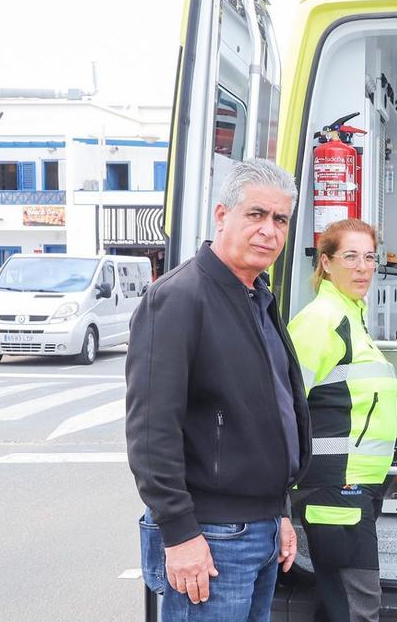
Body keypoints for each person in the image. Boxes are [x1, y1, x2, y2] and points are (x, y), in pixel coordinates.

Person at [126, 158, 311, 621]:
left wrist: (279, 512)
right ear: (222, 215)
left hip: (259, 529)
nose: (269, 230)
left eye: (280, 219)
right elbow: (151, 430)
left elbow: (267, 414)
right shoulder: (179, 297)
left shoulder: (258, 297)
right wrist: (179, 532)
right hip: (210, 537)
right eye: (256, 214)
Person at [287, 218, 397, 622]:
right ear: (326, 263)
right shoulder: (322, 320)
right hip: (335, 486)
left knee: (340, 606)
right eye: (350, 256)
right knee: (357, 610)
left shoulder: (350, 316)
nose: (362, 267)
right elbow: (285, 405)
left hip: (351, 486)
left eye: (369, 257)